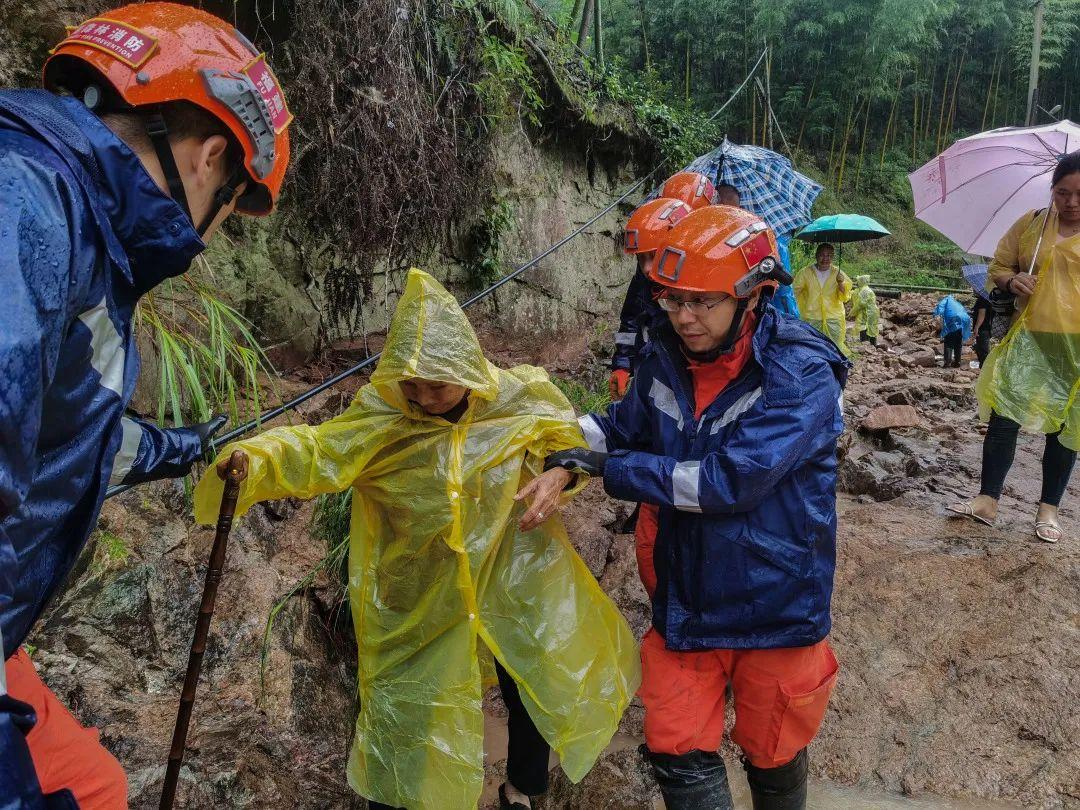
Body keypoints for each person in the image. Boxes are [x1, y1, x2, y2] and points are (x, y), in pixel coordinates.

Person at [194, 269, 639, 810]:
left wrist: (561, 473)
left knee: (533, 671)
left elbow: (564, 439)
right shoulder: (382, 418)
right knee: (413, 699)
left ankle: (524, 787)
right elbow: (314, 450)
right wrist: (256, 459)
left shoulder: (517, 396)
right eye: (411, 382)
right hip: (421, 586)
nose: (423, 397)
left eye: (437, 384)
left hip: (510, 565)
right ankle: (402, 797)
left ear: (468, 372)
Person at [0, 5, 293, 807]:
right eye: (231, 208)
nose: (214, 234)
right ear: (209, 159)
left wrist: (179, 447)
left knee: (95, 783)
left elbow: (60, 428)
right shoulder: (27, 199)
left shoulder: (67, 220)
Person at [558, 206, 848, 809]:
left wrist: (613, 470)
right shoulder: (664, 352)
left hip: (776, 606)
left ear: (754, 294)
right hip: (688, 600)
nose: (684, 316)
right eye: (672, 299)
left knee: (774, 750)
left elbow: (727, 482)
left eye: (702, 301)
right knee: (675, 746)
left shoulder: (800, 374)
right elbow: (623, 426)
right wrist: (553, 440)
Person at [950, 152, 1080, 543]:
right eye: (1062, 193)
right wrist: (1012, 282)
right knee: (1005, 416)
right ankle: (987, 500)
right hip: (1028, 338)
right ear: (1052, 190)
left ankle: (1048, 510)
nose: (1071, 203)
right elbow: (999, 268)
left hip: (1076, 347)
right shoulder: (1033, 226)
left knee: (1065, 428)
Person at [609, 198, 692, 400]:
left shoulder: (700, 291)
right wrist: (622, 364)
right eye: (640, 258)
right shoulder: (643, 281)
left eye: (653, 256)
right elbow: (629, 323)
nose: (646, 268)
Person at [793, 243, 853, 356]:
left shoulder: (838, 273)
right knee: (812, 348)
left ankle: (835, 371)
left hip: (833, 318)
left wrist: (841, 284)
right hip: (811, 318)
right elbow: (794, 292)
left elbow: (845, 297)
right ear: (816, 255)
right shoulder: (805, 272)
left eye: (829, 255)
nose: (825, 259)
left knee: (835, 348)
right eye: (822, 255)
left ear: (833, 257)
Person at [933, 294, 972, 368]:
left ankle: (947, 363)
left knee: (948, 342)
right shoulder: (956, 303)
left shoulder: (945, 301)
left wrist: (935, 315)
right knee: (958, 342)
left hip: (953, 320)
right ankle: (957, 362)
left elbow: (939, 310)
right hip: (964, 321)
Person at [850, 275, 880, 346]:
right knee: (872, 327)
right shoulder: (866, 289)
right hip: (872, 312)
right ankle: (873, 345)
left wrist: (851, 313)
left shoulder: (864, 291)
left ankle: (865, 345)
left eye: (858, 281)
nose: (857, 283)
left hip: (867, 312)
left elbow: (860, 304)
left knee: (863, 326)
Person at [972, 293, 994, 365]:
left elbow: (982, 314)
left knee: (983, 352)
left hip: (983, 329)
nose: (973, 289)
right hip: (988, 328)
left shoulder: (982, 298)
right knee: (983, 349)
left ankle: (984, 369)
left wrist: (976, 327)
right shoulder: (990, 297)